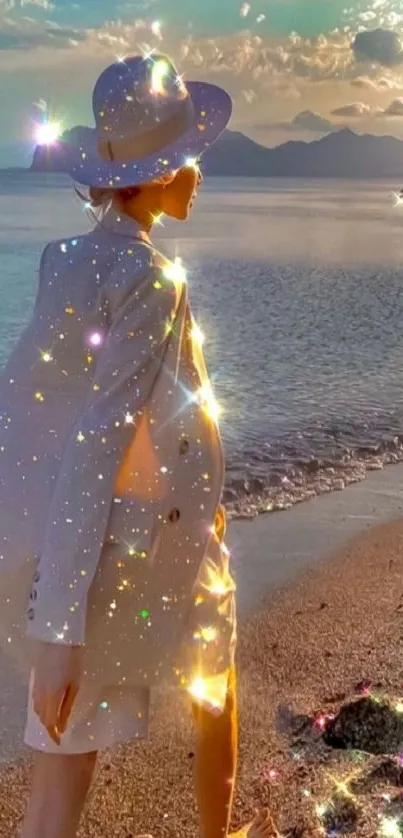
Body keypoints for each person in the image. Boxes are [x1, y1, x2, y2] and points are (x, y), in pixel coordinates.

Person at [0, 55, 273, 838]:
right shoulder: (152, 278)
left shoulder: (68, 260)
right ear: (155, 175)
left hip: (96, 538)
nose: (198, 172)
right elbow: (95, 435)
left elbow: (40, 416)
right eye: (188, 157)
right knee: (203, 683)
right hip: (131, 549)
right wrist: (59, 628)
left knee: (63, 764)